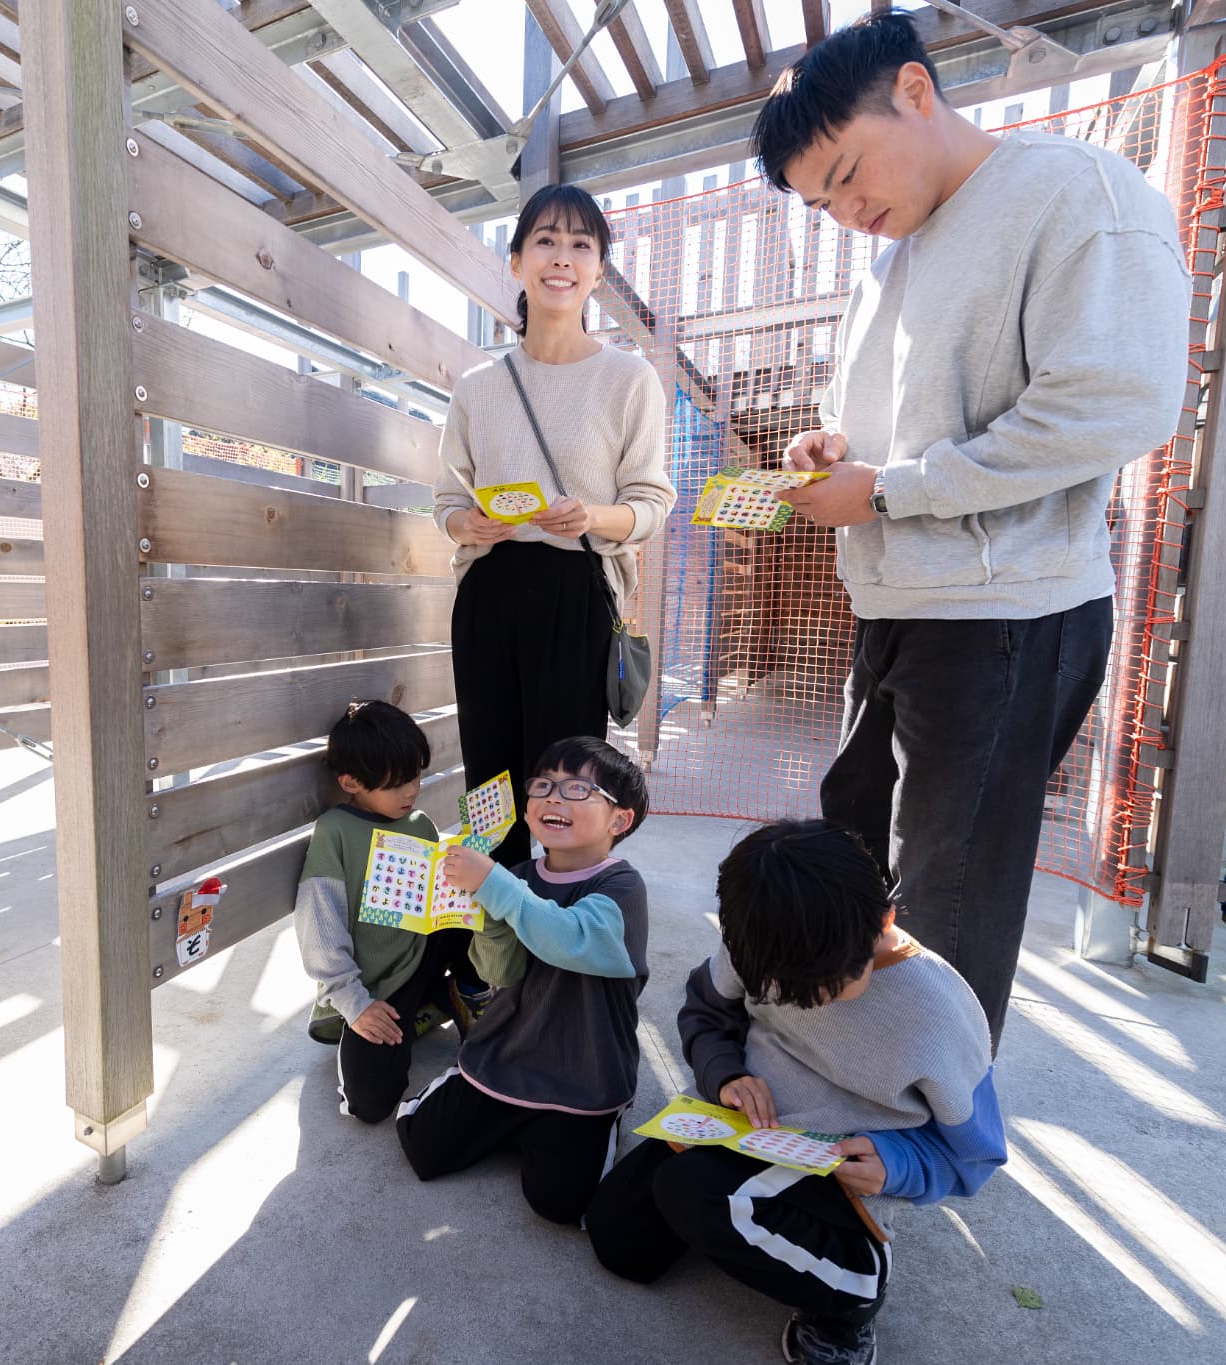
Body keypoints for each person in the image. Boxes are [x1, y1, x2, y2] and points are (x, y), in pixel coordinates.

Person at [753, 12, 1190, 1047]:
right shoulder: (889, 256)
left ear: (913, 89)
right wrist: (834, 446)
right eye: (823, 202)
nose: (847, 211)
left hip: (1006, 611)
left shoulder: (1073, 194)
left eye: (849, 174)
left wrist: (888, 489)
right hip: (900, 599)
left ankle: (915, 1123)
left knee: (948, 895)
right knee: (852, 849)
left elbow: (1112, 406)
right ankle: (844, 1057)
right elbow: (906, 422)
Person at [586, 819, 1004, 1365]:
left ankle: (854, 1295)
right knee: (618, 1240)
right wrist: (725, 1075)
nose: (805, 1004)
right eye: (783, 988)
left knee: (692, 1192)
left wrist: (897, 1164)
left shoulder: (940, 1014)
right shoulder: (763, 940)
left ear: (884, 921)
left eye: (827, 987)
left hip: (836, 1172)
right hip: (739, 1128)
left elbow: (976, 1156)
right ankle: (754, 1230)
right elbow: (705, 1012)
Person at [434, 183, 676, 871]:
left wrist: (592, 515)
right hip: (489, 593)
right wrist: (466, 525)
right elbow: (446, 500)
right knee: (489, 771)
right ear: (516, 262)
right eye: (545, 240)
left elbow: (652, 502)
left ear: (599, 269)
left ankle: (560, 927)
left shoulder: (629, 378)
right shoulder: (479, 387)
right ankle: (493, 937)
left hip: (576, 591)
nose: (561, 258)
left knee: (568, 774)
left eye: (581, 245)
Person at [396, 737, 649, 1224]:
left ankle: (575, 1125)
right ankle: (495, 1114)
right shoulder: (516, 876)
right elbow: (500, 973)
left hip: (585, 1073)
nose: (554, 797)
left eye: (578, 789)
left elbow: (570, 940)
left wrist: (493, 885)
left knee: (562, 1206)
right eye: (544, 785)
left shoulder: (621, 886)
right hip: (506, 1054)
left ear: (620, 821)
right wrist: (487, 913)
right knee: (421, 1147)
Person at [293, 700, 490, 1123]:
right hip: (374, 986)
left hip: (424, 952)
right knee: (371, 1103)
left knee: (478, 904)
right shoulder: (335, 832)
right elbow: (319, 929)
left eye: (415, 776)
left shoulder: (418, 823)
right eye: (396, 783)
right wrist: (355, 1004)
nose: (411, 791)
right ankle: (431, 1004)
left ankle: (465, 992)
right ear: (350, 782)